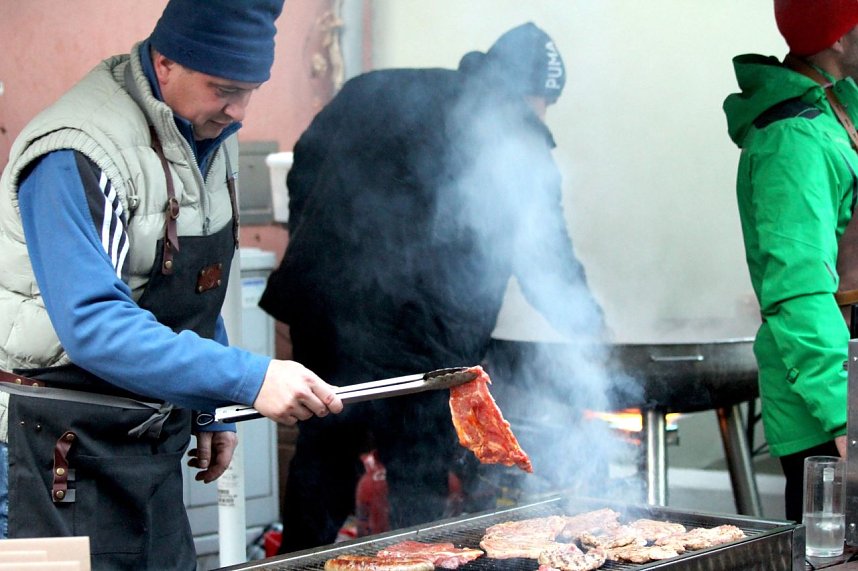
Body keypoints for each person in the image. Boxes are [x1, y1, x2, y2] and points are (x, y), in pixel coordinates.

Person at [0, 1, 343, 568]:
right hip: (48, 452)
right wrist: (248, 377)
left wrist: (212, 402)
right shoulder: (78, 152)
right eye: (223, 88)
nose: (238, 111)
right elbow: (93, 324)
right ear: (165, 63)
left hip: (144, 444)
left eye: (251, 90)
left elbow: (189, 291)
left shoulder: (206, 127)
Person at [259, 22, 605, 552]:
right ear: (532, 94)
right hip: (422, 335)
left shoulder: (372, 89)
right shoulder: (513, 133)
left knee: (323, 448)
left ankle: (297, 564)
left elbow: (303, 170)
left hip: (325, 315)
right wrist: (593, 334)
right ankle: (410, 563)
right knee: (418, 466)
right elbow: (546, 260)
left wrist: (319, 262)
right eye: (543, 104)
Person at [723, 0, 858, 522]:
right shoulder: (792, 140)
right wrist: (849, 424)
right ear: (839, 37)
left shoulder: (835, 109)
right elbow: (800, 296)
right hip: (829, 418)